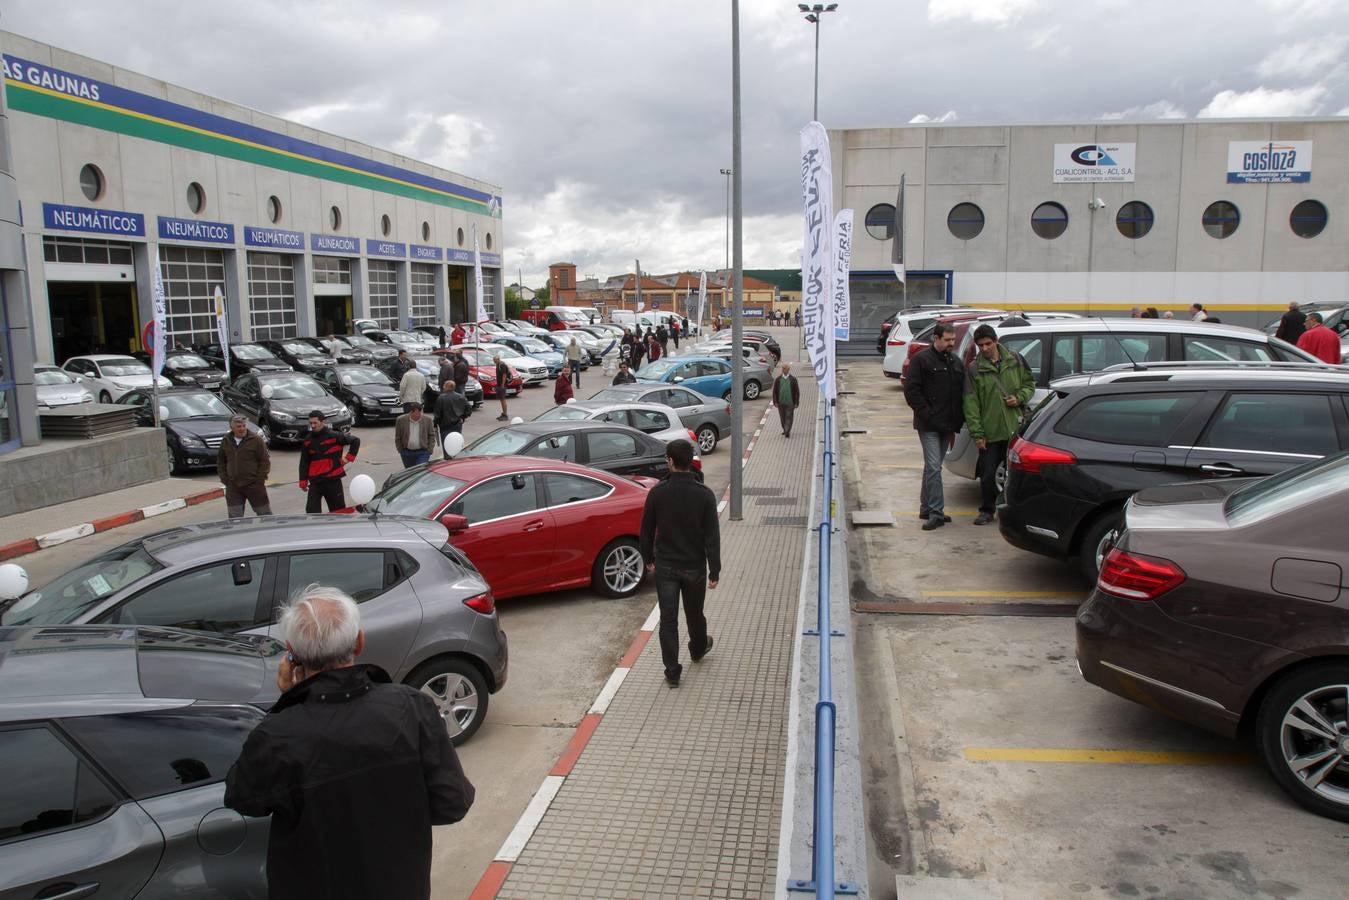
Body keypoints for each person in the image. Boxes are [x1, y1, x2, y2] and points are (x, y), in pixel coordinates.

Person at [224, 585, 473, 900]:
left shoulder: (278, 734)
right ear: (359, 641)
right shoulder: (411, 707)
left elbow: (243, 798)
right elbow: (452, 803)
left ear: (291, 652)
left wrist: (287, 702)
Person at [640, 439, 720, 688]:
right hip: (694, 567)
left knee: (668, 619)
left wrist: (648, 559)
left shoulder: (657, 492)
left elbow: (646, 531)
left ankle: (672, 671)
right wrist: (714, 569)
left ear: (671, 461)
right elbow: (712, 536)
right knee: (695, 614)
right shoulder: (704, 494)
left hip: (665, 567)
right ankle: (697, 649)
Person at [962, 324, 1034, 526]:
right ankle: (986, 510)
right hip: (990, 432)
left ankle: (1014, 510)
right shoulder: (974, 369)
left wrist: (1019, 398)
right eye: (980, 345)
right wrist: (977, 433)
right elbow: (970, 402)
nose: (984, 348)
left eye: (987, 344)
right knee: (987, 475)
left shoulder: (1016, 360)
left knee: (1016, 475)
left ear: (996, 341)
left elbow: (1030, 384)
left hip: (1014, 430)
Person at [904, 322, 966, 531]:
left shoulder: (955, 362)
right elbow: (912, 391)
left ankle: (926, 507)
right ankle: (936, 512)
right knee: (933, 467)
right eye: (947, 340)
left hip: (947, 425)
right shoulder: (921, 360)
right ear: (936, 338)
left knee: (932, 468)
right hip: (929, 425)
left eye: (953, 340)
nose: (951, 344)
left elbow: (959, 395)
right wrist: (927, 413)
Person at [299, 410, 361, 512]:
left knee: (339, 512)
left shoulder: (335, 435)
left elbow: (355, 441)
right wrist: (303, 481)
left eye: (315, 423)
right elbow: (304, 462)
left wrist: (347, 459)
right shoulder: (307, 440)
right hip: (315, 483)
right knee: (311, 512)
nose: (313, 426)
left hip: (333, 482)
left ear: (323, 422)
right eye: (311, 423)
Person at [218, 415, 272, 517]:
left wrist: (259, 481)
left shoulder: (256, 440)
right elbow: (221, 461)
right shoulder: (226, 441)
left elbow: (264, 461)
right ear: (232, 428)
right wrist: (224, 479)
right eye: (239, 427)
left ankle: (269, 532)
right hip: (233, 486)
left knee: (265, 515)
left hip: (254, 486)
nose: (242, 429)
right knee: (235, 517)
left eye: (243, 426)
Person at [434, 379, 471, 458]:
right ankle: (456, 459)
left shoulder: (441, 398)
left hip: (445, 425)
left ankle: (448, 459)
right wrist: (463, 417)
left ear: (446, 387)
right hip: (457, 424)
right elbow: (468, 409)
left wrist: (435, 424)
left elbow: (437, 414)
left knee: (446, 445)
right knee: (456, 443)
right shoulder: (460, 396)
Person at [395, 402, 436, 468]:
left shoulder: (427, 420)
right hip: (406, 453)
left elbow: (431, 435)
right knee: (410, 472)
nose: (419, 415)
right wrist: (400, 450)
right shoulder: (401, 420)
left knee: (420, 471)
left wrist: (429, 450)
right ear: (411, 412)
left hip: (423, 452)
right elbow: (398, 436)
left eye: (420, 413)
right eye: (417, 414)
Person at [771, 361, 800, 438]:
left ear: (788, 370)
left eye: (786, 369)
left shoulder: (793, 379)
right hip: (781, 402)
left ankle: (787, 431)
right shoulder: (778, 379)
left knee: (789, 416)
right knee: (782, 417)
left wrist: (796, 402)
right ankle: (785, 429)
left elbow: (797, 392)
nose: (784, 370)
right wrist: (775, 401)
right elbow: (774, 392)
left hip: (790, 402)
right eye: (783, 369)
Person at [494, 352, 512, 420]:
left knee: (503, 399)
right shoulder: (498, 364)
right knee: (501, 399)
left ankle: (505, 415)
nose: (494, 362)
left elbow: (504, 375)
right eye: (494, 361)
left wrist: (502, 385)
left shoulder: (502, 365)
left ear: (498, 359)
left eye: (495, 361)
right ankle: (504, 413)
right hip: (500, 385)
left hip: (502, 385)